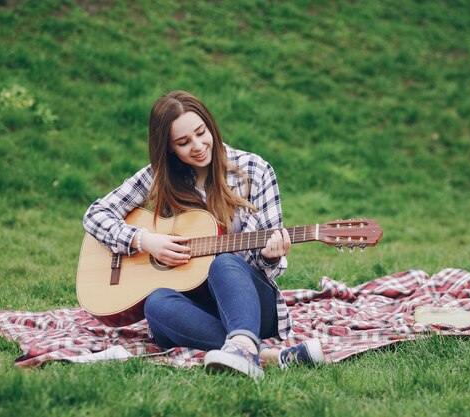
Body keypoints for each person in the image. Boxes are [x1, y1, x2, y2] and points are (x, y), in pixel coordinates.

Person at [83, 90, 323, 379]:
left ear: (210, 125)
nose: (198, 146)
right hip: (193, 310)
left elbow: (268, 271)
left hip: (251, 307)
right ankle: (266, 357)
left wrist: (270, 256)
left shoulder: (254, 170)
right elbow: (95, 214)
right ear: (168, 148)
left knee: (223, 262)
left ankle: (245, 343)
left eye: (201, 133)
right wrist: (144, 240)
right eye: (183, 142)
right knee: (156, 303)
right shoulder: (160, 176)